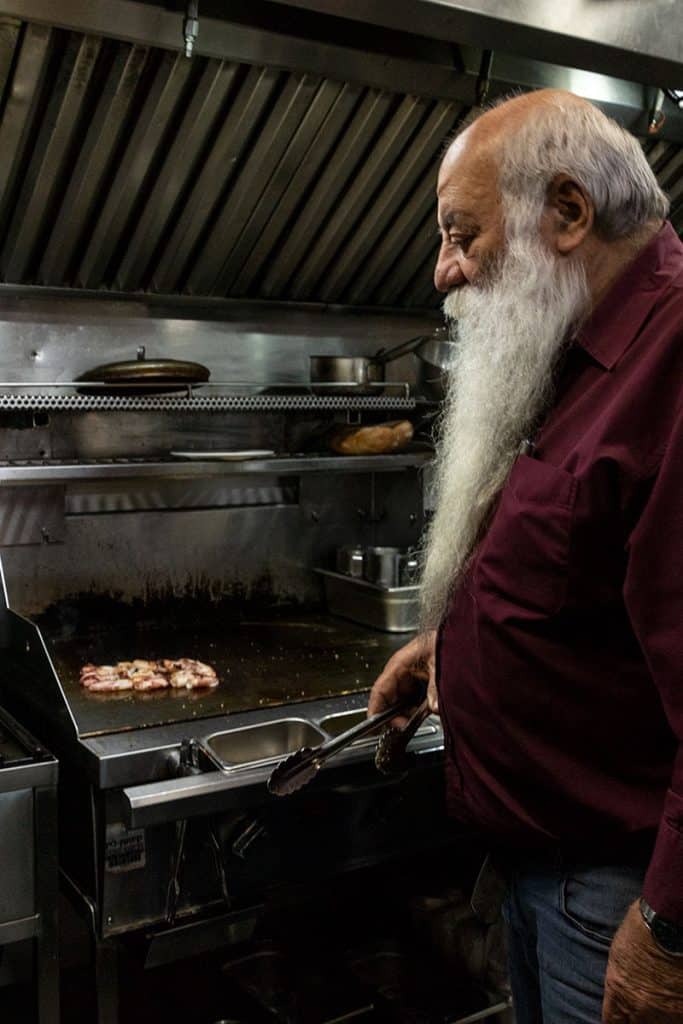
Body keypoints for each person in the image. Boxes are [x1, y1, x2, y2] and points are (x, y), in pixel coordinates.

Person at [368, 88, 683, 1023]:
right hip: (540, 870)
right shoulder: (577, 339)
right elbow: (572, 561)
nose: (442, 272)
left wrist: (667, 930)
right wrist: (448, 651)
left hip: (621, 892)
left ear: (568, 212)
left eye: (461, 234)